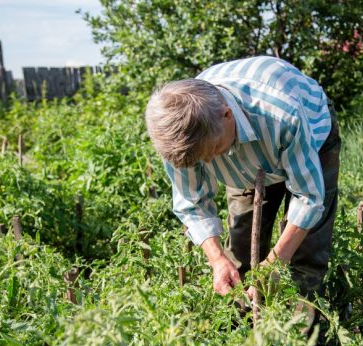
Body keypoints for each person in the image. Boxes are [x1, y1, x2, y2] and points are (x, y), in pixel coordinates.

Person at [145, 56, 341, 315]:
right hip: (250, 147)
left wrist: (276, 261)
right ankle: (242, 332)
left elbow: (308, 197)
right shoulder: (179, 133)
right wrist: (216, 259)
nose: (207, 162)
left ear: (226, 116)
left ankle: (301, 342)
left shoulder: (282, 114)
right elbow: (192, 203)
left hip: (310, 130)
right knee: (241, 250)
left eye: (212, 151)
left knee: (305, 252)